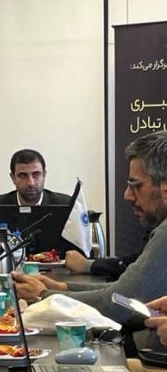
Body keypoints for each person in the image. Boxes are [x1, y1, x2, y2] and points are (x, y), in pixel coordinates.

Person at [13, 131, 167, 350]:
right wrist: (61, 287)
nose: (127, 195)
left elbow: (118, 305)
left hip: (146, 358)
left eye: (136, 185)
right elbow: (123, 294)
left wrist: (44, 295)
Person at [0, 149, 72, 250]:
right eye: (23, 176)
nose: (31, 183)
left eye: (36, 174)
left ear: (44, 175)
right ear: (13, 178)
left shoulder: (65, 204)